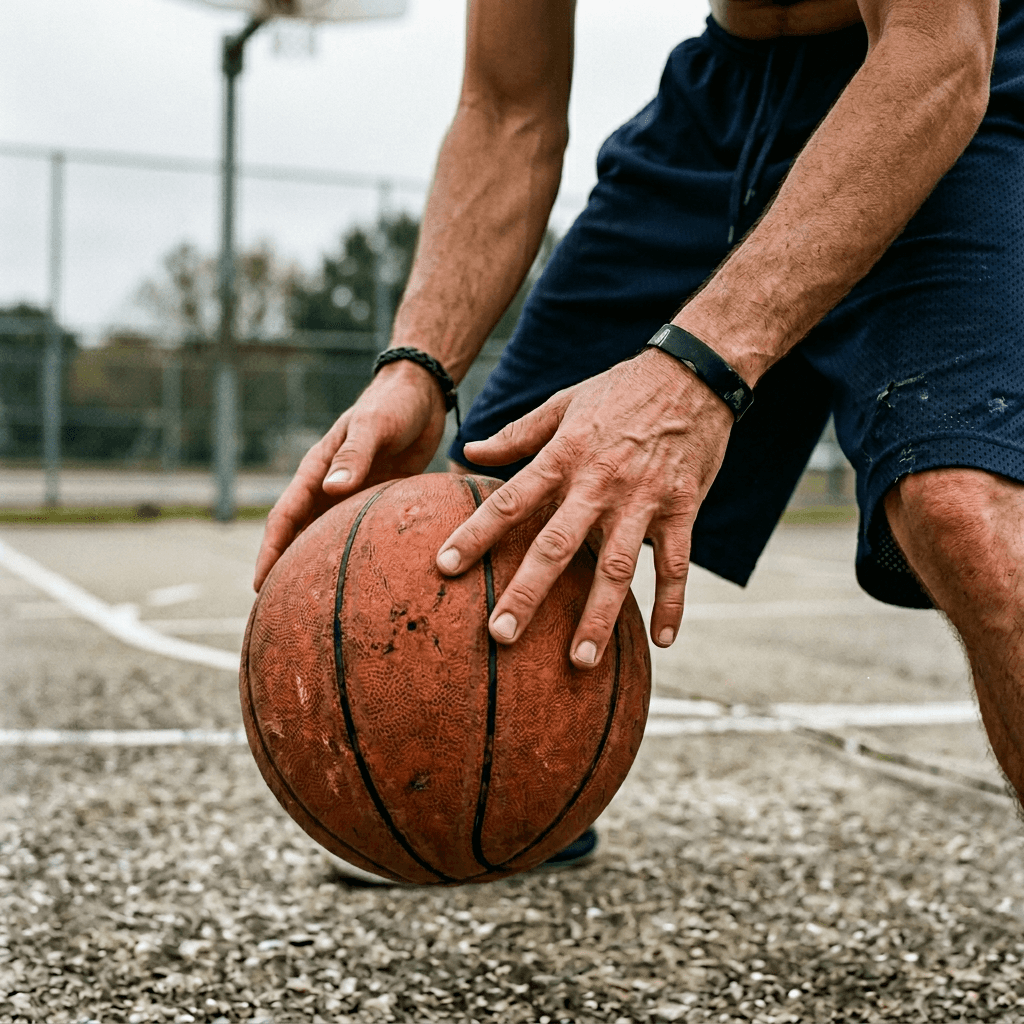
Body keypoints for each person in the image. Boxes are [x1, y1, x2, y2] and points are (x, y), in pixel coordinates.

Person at [257, 0, 1024, 864]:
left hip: (952, 71)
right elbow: (507, 110)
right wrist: (417, 367)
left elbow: (940, 54)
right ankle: (510, 798)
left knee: (971, 512)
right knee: (509, 498)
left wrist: (698, 369)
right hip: (723, 101)